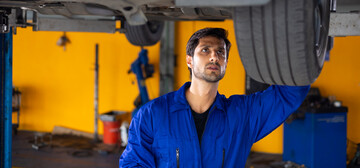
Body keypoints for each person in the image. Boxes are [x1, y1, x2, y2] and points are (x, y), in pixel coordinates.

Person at [119, 28, 309, 168]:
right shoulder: (152, 114)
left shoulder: (242, 115)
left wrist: (298, 38)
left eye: (220, 52)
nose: (214, 57)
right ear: (189, 60)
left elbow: (291, 92)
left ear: (225, 62)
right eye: (205, 50)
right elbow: (133, 163)